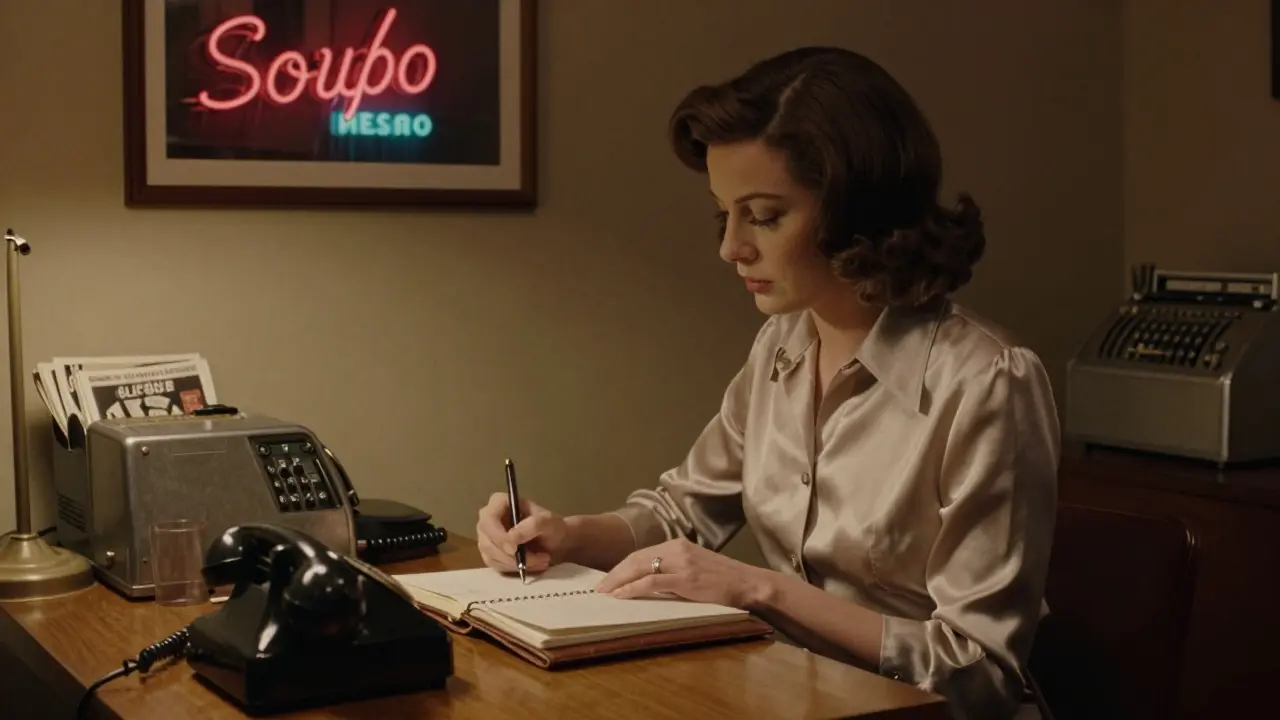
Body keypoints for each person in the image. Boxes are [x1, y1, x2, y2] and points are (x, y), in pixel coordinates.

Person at [475, 46, 1059, 720]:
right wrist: (565, 535)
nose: (731, 248)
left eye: (764, 216)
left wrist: (760, 590)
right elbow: (682, 513)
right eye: (724, 214)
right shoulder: (781, 345)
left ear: (856, 211)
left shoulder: (988, 382)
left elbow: (979, 672)